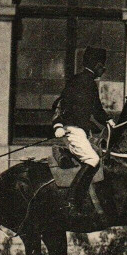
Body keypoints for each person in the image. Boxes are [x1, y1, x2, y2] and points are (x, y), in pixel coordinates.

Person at [52, 46, 114, 213]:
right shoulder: (78, 81)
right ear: (95, 65)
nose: (104, 69)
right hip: (73, 131)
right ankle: (71, 201)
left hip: (84, 132)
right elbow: (60, 104)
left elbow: (97, 110)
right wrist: (57, 124)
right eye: (102, 66)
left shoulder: (89, 82)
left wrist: (109, 121)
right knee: (92, 160)